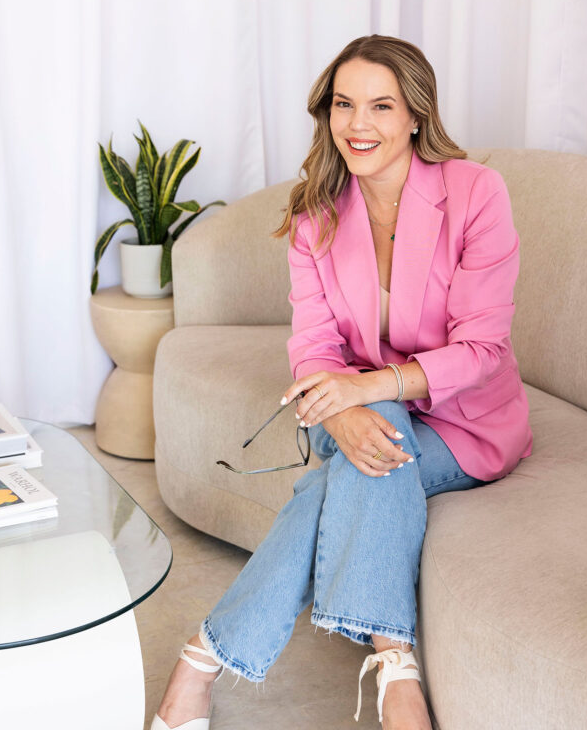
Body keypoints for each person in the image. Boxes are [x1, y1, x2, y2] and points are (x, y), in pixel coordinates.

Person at [152, 35, 532, 730]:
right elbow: (313, 346)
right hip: (359, 408)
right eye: (343, 104)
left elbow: (482, 349)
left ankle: (198, 662)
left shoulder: (475, 193)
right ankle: (396, 674)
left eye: (380, 106)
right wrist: (339, 410)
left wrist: (366, 389)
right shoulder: (315, 216)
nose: (358, 124)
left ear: (415, 115)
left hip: (465, 420)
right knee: (370, 444)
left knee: (350, 465)